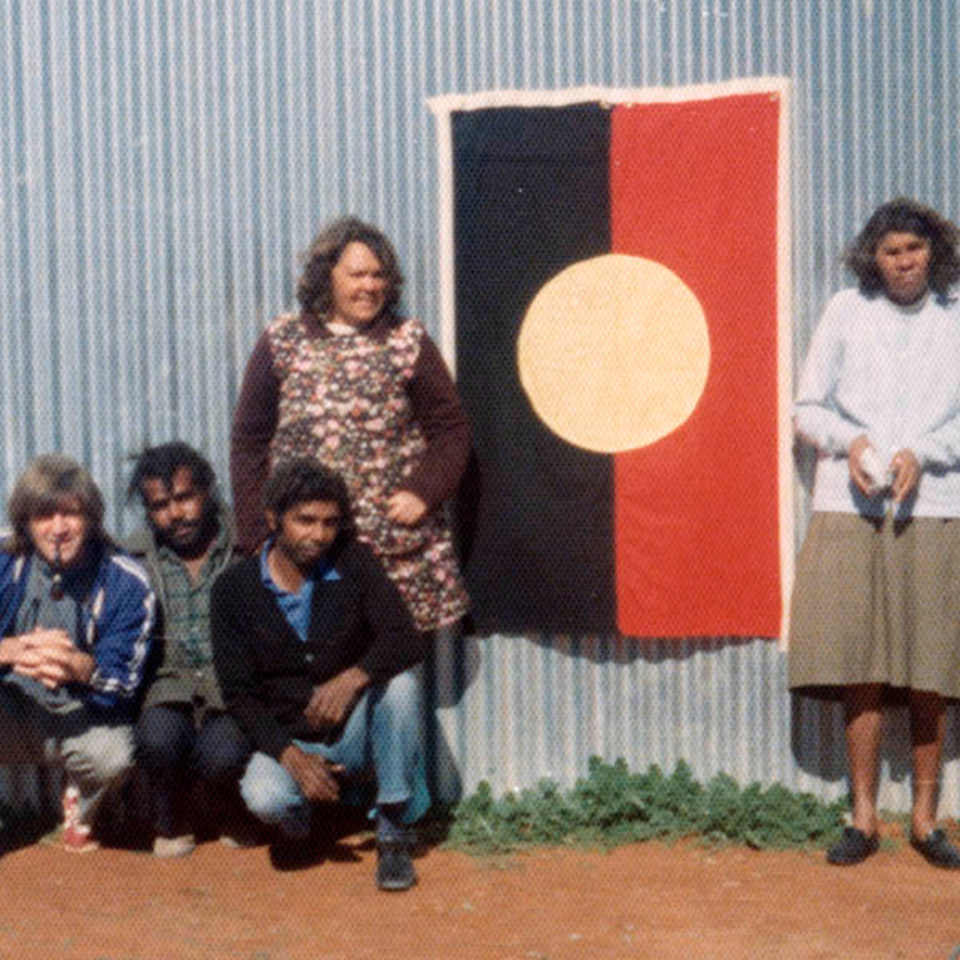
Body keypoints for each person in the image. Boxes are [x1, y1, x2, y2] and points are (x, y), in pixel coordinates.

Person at [790, 198, 960, 869]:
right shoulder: (844, 311)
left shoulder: (955, 319)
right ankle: (862, 816)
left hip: (935, 503)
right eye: (891, 252)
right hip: (850, 503)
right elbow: (807, 406)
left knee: (928, 665)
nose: (903, 263)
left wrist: (926, 452)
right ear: (873, 257)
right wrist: (850, 441)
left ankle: (925, 820)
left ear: (933, 253)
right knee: (857, 661)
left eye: (914, 250)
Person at [229, 216, 470, 632]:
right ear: (328, 277)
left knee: (395, 678)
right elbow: (249, 442)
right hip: (309, 544)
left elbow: (451, 430)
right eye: (357, 274)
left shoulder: (406, 341)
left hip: (392, 546)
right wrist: (255, 534)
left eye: (379, 275)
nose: (370, 286)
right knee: (315, 669)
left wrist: (424, 491)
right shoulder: (283, 340)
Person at [210, 458, 430, 890]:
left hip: (354, 737)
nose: (318, 534)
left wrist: (352, 679)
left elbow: (406, 638)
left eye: (330, 522)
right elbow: (240, 695)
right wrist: (290, 757)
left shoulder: (354, 562)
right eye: (304, 520)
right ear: (273, 518)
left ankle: (391, 833)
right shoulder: (234, 589)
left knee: (401, 687)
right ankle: (301, 827)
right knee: (266, 797)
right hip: (290, 740)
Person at [0, 455, 155, 852]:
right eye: (43, 516)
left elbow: (123, 682)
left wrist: (79, 666)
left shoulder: (127, 580)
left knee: (114, 756)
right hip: (12, 709)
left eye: (71, 513)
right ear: (25, 522)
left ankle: (79, 810)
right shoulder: (5, 561)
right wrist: (10, 650)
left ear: (91, 517)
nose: (58, 529)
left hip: (80, 715)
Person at [125, 442, 251, 857]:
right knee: (157, 739)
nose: (175, 514)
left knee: (225, 753)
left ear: (207, 492)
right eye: (160, 505)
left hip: (229, 686)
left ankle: (228, 805)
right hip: (168, 685)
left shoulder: (243, 548)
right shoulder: (137, 557)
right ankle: (173, 816)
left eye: (184, 498)